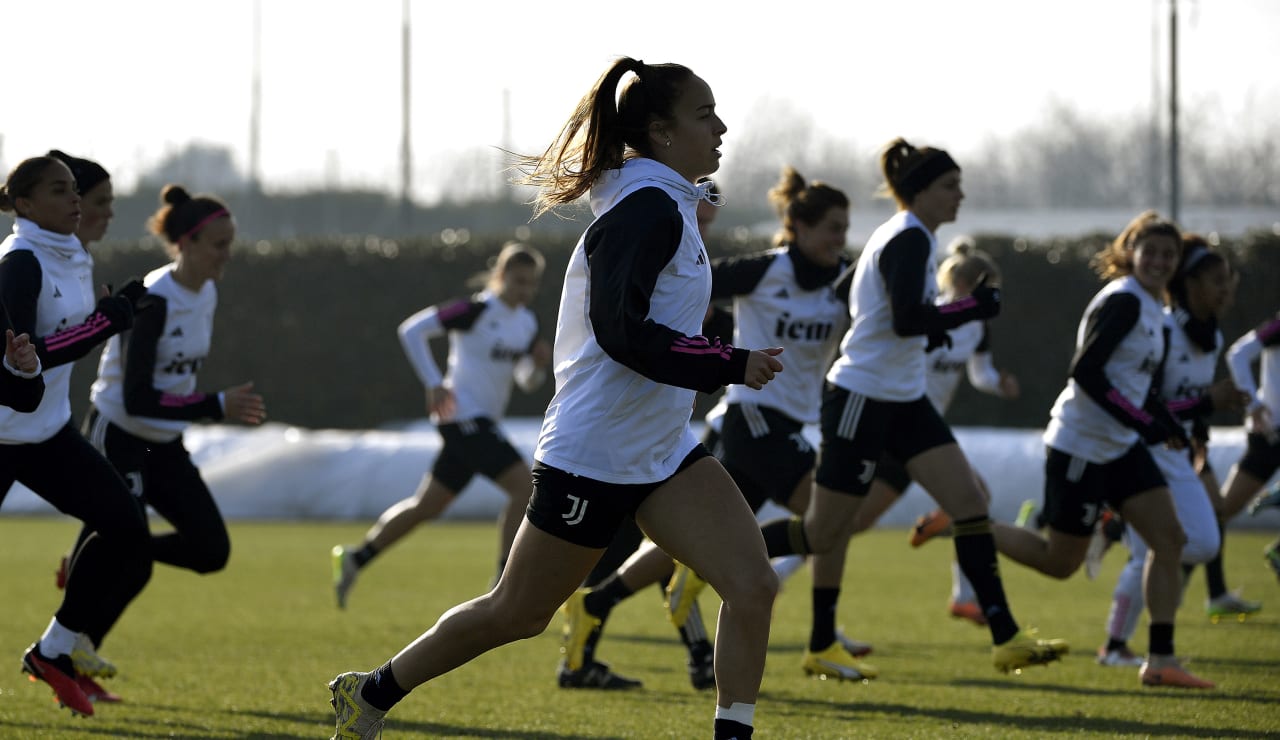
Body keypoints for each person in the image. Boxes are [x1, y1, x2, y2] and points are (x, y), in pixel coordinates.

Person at [328, 57, 784, 740]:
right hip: (593, 455)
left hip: (661, 451)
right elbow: (622, 331)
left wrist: (716, 354)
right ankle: (370, 691)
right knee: (517, 613)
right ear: (660, 132)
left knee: (753, 588)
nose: (721, 126)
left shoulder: (672, 203)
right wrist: (727, 361)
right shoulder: (643, 209)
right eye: (704, 114)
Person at [756, 137, 1067, 677]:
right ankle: (718, 562)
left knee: (969, 503)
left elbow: (857, 291)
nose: (960, 195)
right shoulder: (909, 238)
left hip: (903, 397)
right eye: (950, 186)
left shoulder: (905, 236)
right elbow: (906, 319)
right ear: (920, 190)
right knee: (824, 532)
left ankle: (1006, 636)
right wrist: (972, 306)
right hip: (861, 396)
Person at [560, 165, 864, 688]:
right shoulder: (763, 271)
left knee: (692, 541)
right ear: (799, 227)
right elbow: (681, 291)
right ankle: (820, 641)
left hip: (787, 422)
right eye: (833, 227)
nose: (841, 239)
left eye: (845, 228)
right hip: (753, 417)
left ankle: (598, 603)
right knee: (828, 522)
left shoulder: (844, 283)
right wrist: (718, 351)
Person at [991, 210, 1213, 688]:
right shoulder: (1124, 302)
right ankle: (971, 526)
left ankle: (1160, 660)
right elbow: (1087, 373)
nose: (1157, 261)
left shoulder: (1155, 310)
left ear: (1177, 263)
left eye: (1167, 255)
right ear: (1130, 253)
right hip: (1080, 446)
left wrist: (1168, 422)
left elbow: (1137, 385)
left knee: (1170, 540)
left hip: (1120, 445)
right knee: (1060, 563)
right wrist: (1145, 424)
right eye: (1149, 251)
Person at [63, 184, 266, 699]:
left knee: (210, 549)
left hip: (163, 443)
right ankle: (70, 656)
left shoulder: (208, 292)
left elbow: (171, 391)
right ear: (188, 243)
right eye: (219, 244)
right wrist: (214, 405)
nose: (227, 254)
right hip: (121, 436)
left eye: (230, 244)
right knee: (132, 564)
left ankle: (96, 552)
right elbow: (137, 399)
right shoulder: (154, 300)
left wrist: (201, 406)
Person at [0, 154, 152, 716]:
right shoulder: (19, 262)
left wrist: (108, 311)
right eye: (61, 191)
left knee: (127, 529)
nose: (76, 201)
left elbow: (60, 339)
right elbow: (24, 357)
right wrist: (105, 322)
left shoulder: (73, 254)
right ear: (24, 205)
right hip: (2, 433)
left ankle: (53, 650)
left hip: (44, 434)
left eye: (76, 191)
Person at [330, 241, 549, 608]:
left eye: (530, 283)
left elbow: (526, 381)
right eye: (517, 281)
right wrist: (433, 381)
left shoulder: (526, 322)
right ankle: (504, 585)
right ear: (500, 277)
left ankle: (356, 557)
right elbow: (411, 330)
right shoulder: (475, 310)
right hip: (461, 417)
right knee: (523, 486)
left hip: (480, 423)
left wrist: (538, 367)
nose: (524, 290)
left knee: (427, 506)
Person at [840, 237, 1021, 628]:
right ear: (962, 286)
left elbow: (980, 372)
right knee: (845, 524)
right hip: (900, 427)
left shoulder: (976, 327)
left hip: (924, 433)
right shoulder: (929, 316)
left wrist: (998, 383)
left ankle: (963, 595)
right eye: (986, 291)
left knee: (973, 500)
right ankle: (772, 569)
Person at [1094, 236, 1249, 666]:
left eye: (1228, 280)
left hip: (1177, 450)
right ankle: (1126, 646)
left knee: (1164, 548)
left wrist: (1200, 430)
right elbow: (1149, 402)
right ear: (1191, 284)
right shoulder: (1162, 328)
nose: (1226, 289)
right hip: (1147, 446)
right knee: (1192, 543)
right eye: (1216, 280)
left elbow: (1193, 400)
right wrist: (1204, 404)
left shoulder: (1210, 335)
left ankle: (1118, 646)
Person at [1219, 306, 1280, 577]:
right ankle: (1212, 588)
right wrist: (1253, 404)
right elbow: (1238, 354)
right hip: (1269, 435)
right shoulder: (1276, 328)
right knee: (1221, 513)